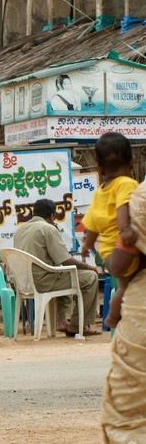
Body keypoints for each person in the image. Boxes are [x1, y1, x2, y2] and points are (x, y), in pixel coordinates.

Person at [101, 180, 146, 444]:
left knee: (126, 419)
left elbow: (124, 262)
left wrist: (115, 272)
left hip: (142, 318)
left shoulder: (141, 198)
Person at [15, 198, 101, 336]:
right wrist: (90, 267)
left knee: (64, 274)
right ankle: (79, 325)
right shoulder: (48, 228)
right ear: (52, 216)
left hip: (24, 283)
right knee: (90, 278)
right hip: (44, 281)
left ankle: (61, 321)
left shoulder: (20, 229)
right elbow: (66, 261)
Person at [80, 132, 140, 328]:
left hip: (106, 253)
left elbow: (92, 227)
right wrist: (125, 230)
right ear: (132, 162)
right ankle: (113, 316)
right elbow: (122, 208)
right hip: (123, 248)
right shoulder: (127, 184)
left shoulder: (100, 193)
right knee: (130, 285)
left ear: (99, 169)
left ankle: (112, 317)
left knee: (124, 286)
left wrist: (86, 246)